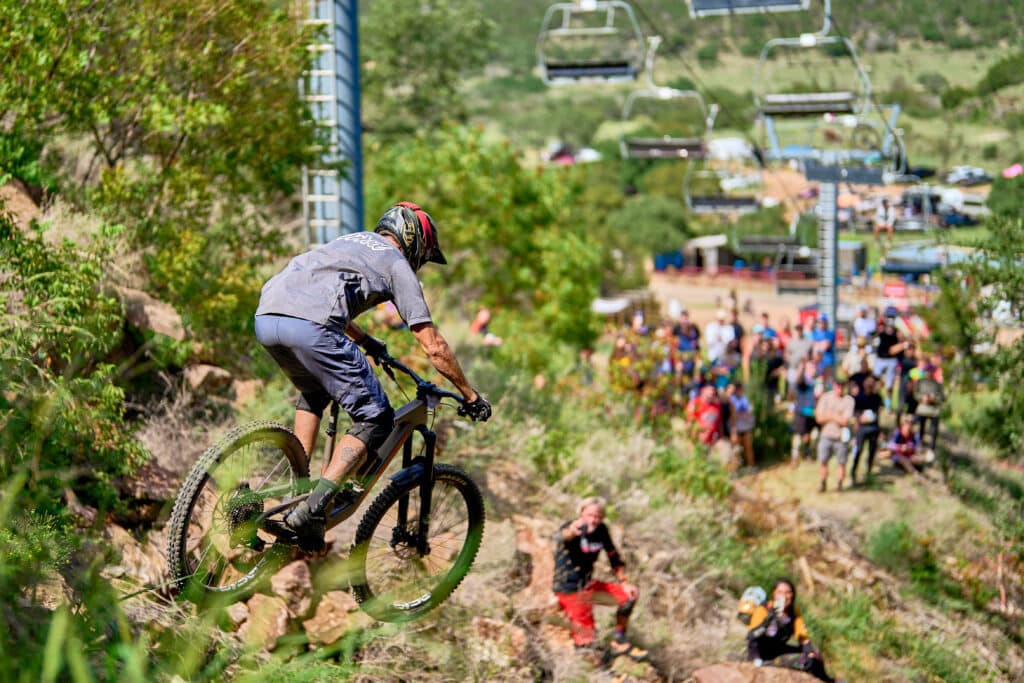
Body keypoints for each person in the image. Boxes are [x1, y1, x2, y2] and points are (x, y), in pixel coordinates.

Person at [254, 202, 492, 549]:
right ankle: (314, 509)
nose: (420, 263)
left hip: (267, 316)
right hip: (312, 328)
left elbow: (316, 295)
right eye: (423, 257)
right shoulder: (398, 266)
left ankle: (297, 488)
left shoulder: (350, 241)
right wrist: (471, 395)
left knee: (316, 391)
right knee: (376, 417)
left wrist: (366, 340)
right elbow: (434, 346)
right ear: (414, 244)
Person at [553, 498, 646, 662]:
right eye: (590, 515)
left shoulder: (601, 530)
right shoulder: (572, 527)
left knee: (629, 596)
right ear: (581, 513)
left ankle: (619, 639)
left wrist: (624, 581)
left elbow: (614, 557)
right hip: (570, 589)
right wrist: (571, 531)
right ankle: (602, 673)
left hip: (589, 585)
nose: (593, 520)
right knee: (587, 640)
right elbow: (562, 536)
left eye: (598, 516)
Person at [747, 579, 834, 682]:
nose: (784, 596)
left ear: (793, 595)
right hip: (761, 653)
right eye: (780, 592)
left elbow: (802, 636)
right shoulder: (764, 609)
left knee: (815, 655)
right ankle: (767, 665)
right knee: (805, 661)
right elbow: (752, 636)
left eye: (788, 592)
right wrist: (768, 621)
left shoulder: (793, 612)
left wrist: (809, 650)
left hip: (778, 650)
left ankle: (827, 680)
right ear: (774, 593)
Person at [815, 378, 855, 493]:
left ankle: (839, 485)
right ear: (833, 386)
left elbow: (845, 421)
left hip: (841, 438)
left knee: (841, 462)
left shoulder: (848, 400)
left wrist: (829, 415)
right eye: (838, 386)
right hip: (826, 435)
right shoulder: (826, 397)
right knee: (823, 461)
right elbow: (819, 418)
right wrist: (837, 416)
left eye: (842, 386)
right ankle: (823, 483)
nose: (840, 389)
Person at [849, 374, 882, 485]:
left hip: (873, 428)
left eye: (872, 383)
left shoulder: (877, 397)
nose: (870, 385)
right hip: (862, 428)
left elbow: (878, 413)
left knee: (871, 452)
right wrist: (860, 419)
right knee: (858, 450)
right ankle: (853, 473)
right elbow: (854, 412)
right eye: (868, 382)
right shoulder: (859, 397)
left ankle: (868, 472)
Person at [790, 359, 819, 466]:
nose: (813, 369)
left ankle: (808, 454)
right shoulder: (802, 379)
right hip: (801, 412)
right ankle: (795, 456)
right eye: (811, 367)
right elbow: (798, 380)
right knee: (798, 435)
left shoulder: (816, 381)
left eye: (814, 367)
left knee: (810, 435)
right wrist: (801, 367)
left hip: (812, 412)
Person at [687, 383, 723, 451]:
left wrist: (720, 438)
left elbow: (719, 423)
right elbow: (690, 423)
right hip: (697, 441)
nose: (712, 392)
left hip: (712, 443)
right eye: (710, 389)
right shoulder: (695, 403)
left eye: (713, 390)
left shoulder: (717, 406)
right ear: (703, 390)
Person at [728, 382, 756, 469]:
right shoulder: (731, 400)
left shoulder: (745, 399)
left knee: (748, 448)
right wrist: (733, 431)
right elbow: (733, 416)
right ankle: (735, 469)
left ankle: (750, 467)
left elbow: (749, 412)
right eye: (739, 389)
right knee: (736, 450)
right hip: (736, 428)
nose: (741, 391)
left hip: (746, 427)